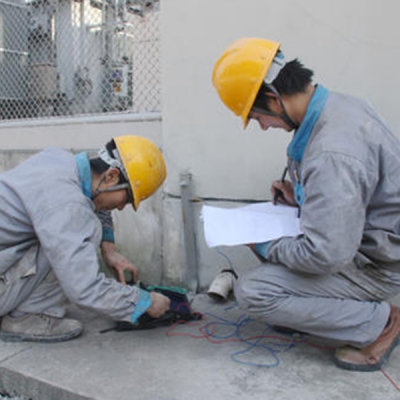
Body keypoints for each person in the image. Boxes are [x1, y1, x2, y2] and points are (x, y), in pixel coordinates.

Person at [212, 37, 400, 371]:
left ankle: (378, 324)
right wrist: (297, 195)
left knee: (254, 292)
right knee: (275, 247)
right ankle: (315, 312)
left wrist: (266, 245)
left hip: (379, 266)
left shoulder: (332, 151)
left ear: (273, 97)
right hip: (371, 244)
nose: (263, 127)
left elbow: (327, 254)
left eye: (257, 118)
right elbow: (350, 194)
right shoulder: (339, 107)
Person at [0, 135, 171, 342]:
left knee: (77, 229)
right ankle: (25, 318)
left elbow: (91, 194)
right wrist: (143, 302)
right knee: (83, 232)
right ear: (111, 176)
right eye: (125, 200)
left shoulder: (59, 160)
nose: (119, 207)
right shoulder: (67, 205)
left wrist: (109, 249)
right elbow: (83, 286)